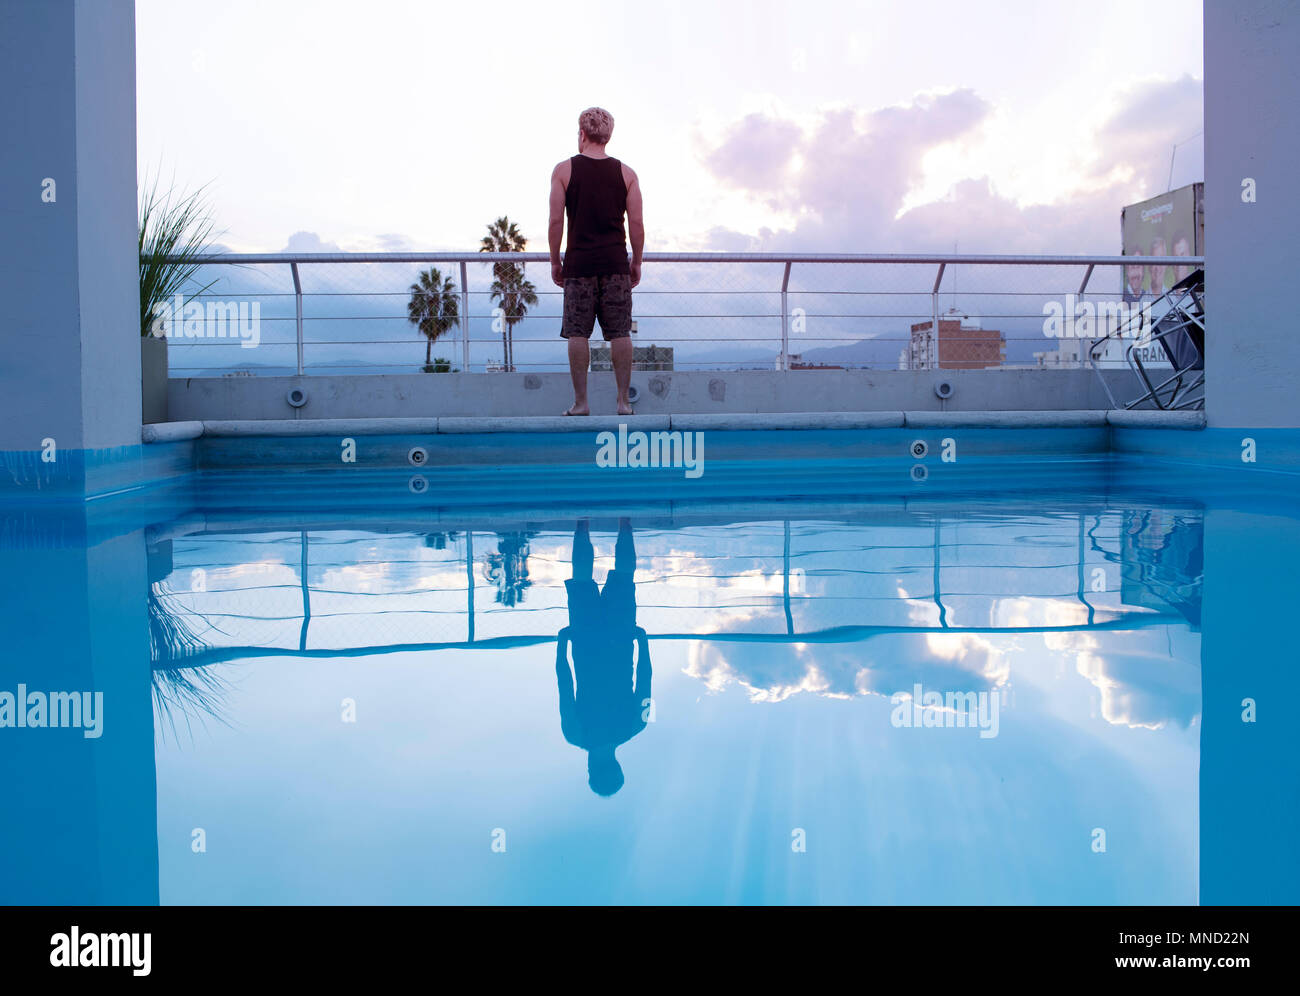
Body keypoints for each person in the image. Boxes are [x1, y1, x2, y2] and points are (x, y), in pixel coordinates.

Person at [549, 107, 645, 416]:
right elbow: (637, 225)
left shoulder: (564, 170)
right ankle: (623, 402)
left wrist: (555, 261)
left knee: (578, 333)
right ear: (608, 136)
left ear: (582, 134)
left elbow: (555, 222)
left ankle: (581, 403)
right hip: (616, 264)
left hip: (579, 266)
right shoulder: (627, 174)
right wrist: (637, 262)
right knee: (620, 334)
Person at [555, 519, 651, 796]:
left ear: (618, 766)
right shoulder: (575, 735)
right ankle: (582, 523)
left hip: (621, 641)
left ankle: (625, 523)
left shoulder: (637, 725)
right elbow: (564, 686)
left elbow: (644, 678)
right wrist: (561, 646)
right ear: (591, 770)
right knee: (582, 580)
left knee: (624, 576)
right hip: (585, 644)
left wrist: (643, 642)